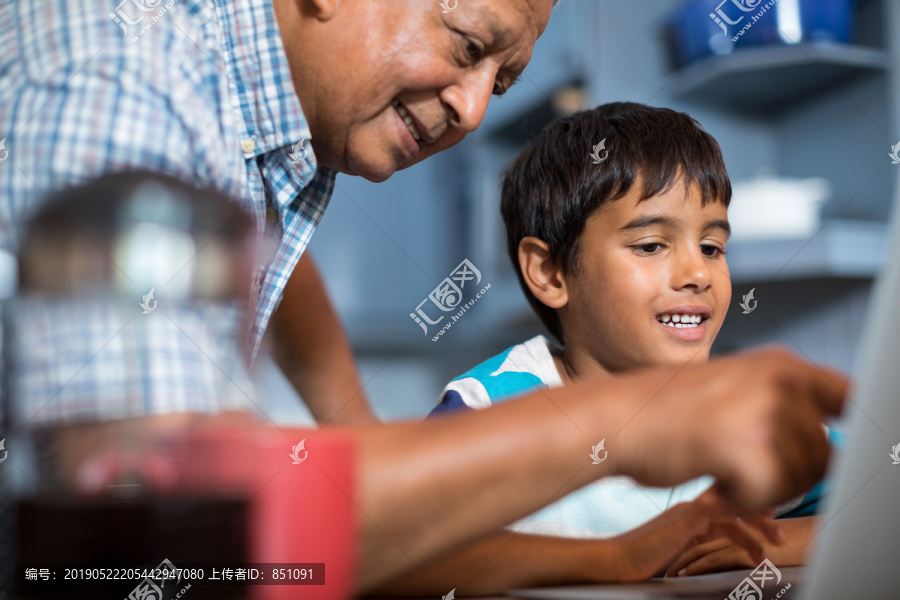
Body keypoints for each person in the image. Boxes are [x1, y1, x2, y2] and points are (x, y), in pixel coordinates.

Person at [0, 0, 847, 594]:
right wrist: (635, 425)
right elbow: (154, 531)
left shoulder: (245, 127)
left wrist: (355, 430)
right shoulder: (116, 74)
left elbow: (258, 260)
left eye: (502, 83)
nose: (474, 111)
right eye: (469, 46)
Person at [377, 103, 838, 594]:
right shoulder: (489, 406)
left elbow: (875, 501)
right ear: (550, 272)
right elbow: (398, 553)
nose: (699, 274)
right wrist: (613, 558)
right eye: (650, 246)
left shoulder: (742, 414)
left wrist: (786, 539)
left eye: (711, 247)